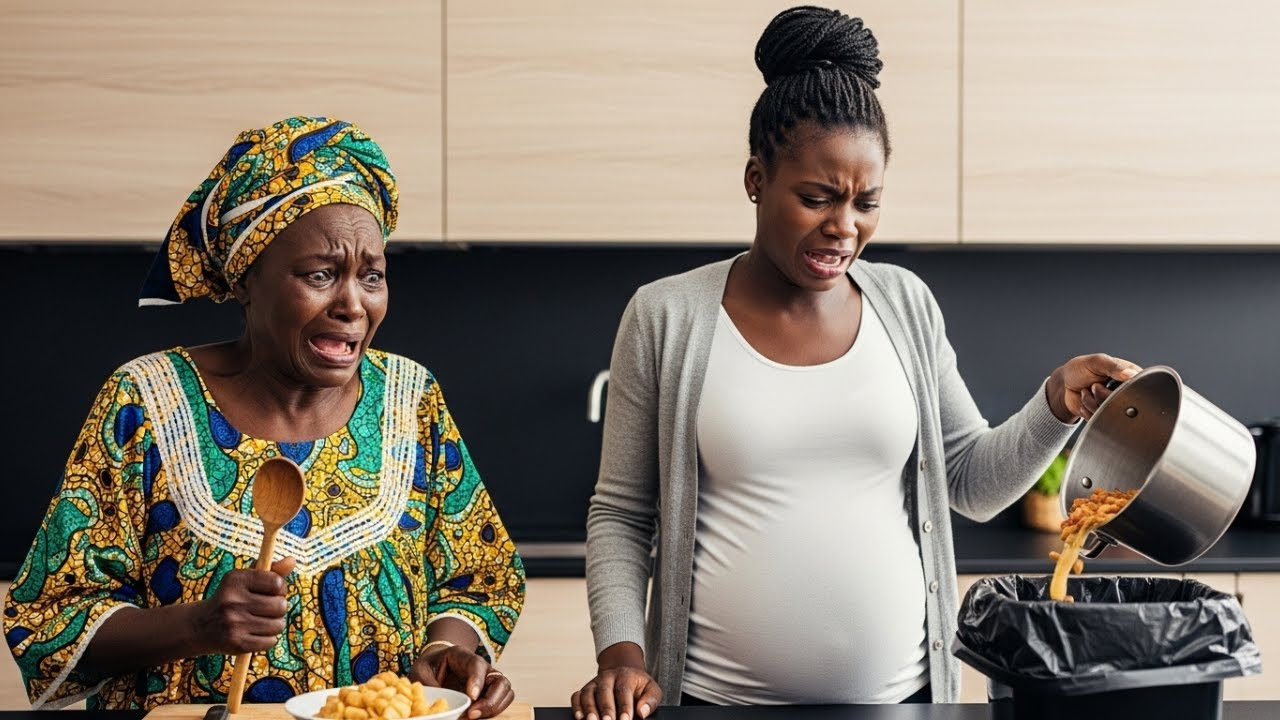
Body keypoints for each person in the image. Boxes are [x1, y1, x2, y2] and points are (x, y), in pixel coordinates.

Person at [571, 7, 1140, 717]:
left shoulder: (905, 303)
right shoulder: (666, 315)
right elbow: (623, 513)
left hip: (903, 701)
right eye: (816, 198)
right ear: (756, 179)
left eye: (866, 202)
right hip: (714, 702)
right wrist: (621, 656)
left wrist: (1055, 402)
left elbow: (972, 482)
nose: (844, 227)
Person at [2, 117, 525, 716]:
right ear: (247, 279)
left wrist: (447, 648)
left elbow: (478, 577)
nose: (353, 305)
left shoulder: (411, 397)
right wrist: (196, 625)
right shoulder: (143, 402)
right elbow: (51, 617)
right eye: (321, 275)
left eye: (372, 276)